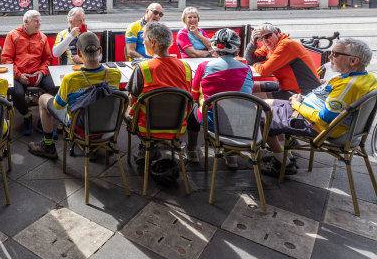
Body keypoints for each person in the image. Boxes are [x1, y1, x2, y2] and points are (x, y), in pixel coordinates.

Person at [261, 38, 377, 177]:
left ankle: (283, 164)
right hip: (309, 111)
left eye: (335, 54)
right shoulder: (367, 77)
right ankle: (285, 153)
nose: (329, 57)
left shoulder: (349, 85)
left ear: (353, 61)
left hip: (317, 126)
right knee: (267, 103)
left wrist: (296, 105)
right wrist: (302, 100)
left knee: (262, 115)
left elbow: (323, 118)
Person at [28, 32, 120, 159]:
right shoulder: (115, 74)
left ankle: (48, 145)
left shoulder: (70, 79)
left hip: (79, 125)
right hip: (107, 125)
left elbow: (58, 106)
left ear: (79, 53)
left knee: (44, 99)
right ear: (100, 51)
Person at [126, 22, 193, 164]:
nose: (143, 42)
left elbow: (132, 100)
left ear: (153, 43)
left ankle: (146, 147)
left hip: (148, 127)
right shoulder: (186, 67)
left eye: (144, 38)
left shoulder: (142, 68)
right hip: (178, 127)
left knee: (125, 107)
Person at [189, 29, 254, 167]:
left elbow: (194, 95)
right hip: (242, 122)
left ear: (215, 48)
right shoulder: (246, 68)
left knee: (192, 108)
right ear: (236, 49)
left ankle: (192, 150)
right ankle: (231, 154)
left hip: (212, 121)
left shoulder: (203, 66)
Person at [1, 10, 55, 135]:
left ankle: (45, 117)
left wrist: (41, 72)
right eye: (36, 21)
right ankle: (26, 115)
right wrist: (19, 76)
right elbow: (6, 59)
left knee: (54, 87)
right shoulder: (13, 35)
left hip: (38, 73)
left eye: (40, 21)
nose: (39, 24)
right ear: (26, 22)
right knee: (17, 93)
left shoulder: (43, 37)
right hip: (19, 74)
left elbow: (48, 59)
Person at [244, 23, 320, 100]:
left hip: (302, 93)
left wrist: (254, 63)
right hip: (285, 86)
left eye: (267, 36)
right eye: (260, 38)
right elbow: (248, 58)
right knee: (247, 87)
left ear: (276, 33)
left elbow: (264, 71)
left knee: (250, 99)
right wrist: (252, 42)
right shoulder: (271, 45)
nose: (265, 41)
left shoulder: (286, 45)